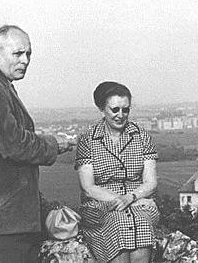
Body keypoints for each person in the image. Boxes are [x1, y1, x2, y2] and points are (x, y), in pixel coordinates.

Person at [0, 25, 75, 263]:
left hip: (5, 216)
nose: (25, 60)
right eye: (18, 53)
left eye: (28, 54)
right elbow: (13, 143)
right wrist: (55, 144)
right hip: (0, 218)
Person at [75, 81, 159, 263]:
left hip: (138, 201)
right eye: (115, 110)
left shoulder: (142, 136)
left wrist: (131, 198)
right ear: (102, 109)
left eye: (125, 110)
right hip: (100, 204)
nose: (121, 115)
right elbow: (88, 187)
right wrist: (119, 200)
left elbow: (151, 182)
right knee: (119, 222)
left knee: (142, 224)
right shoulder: (88, 140)